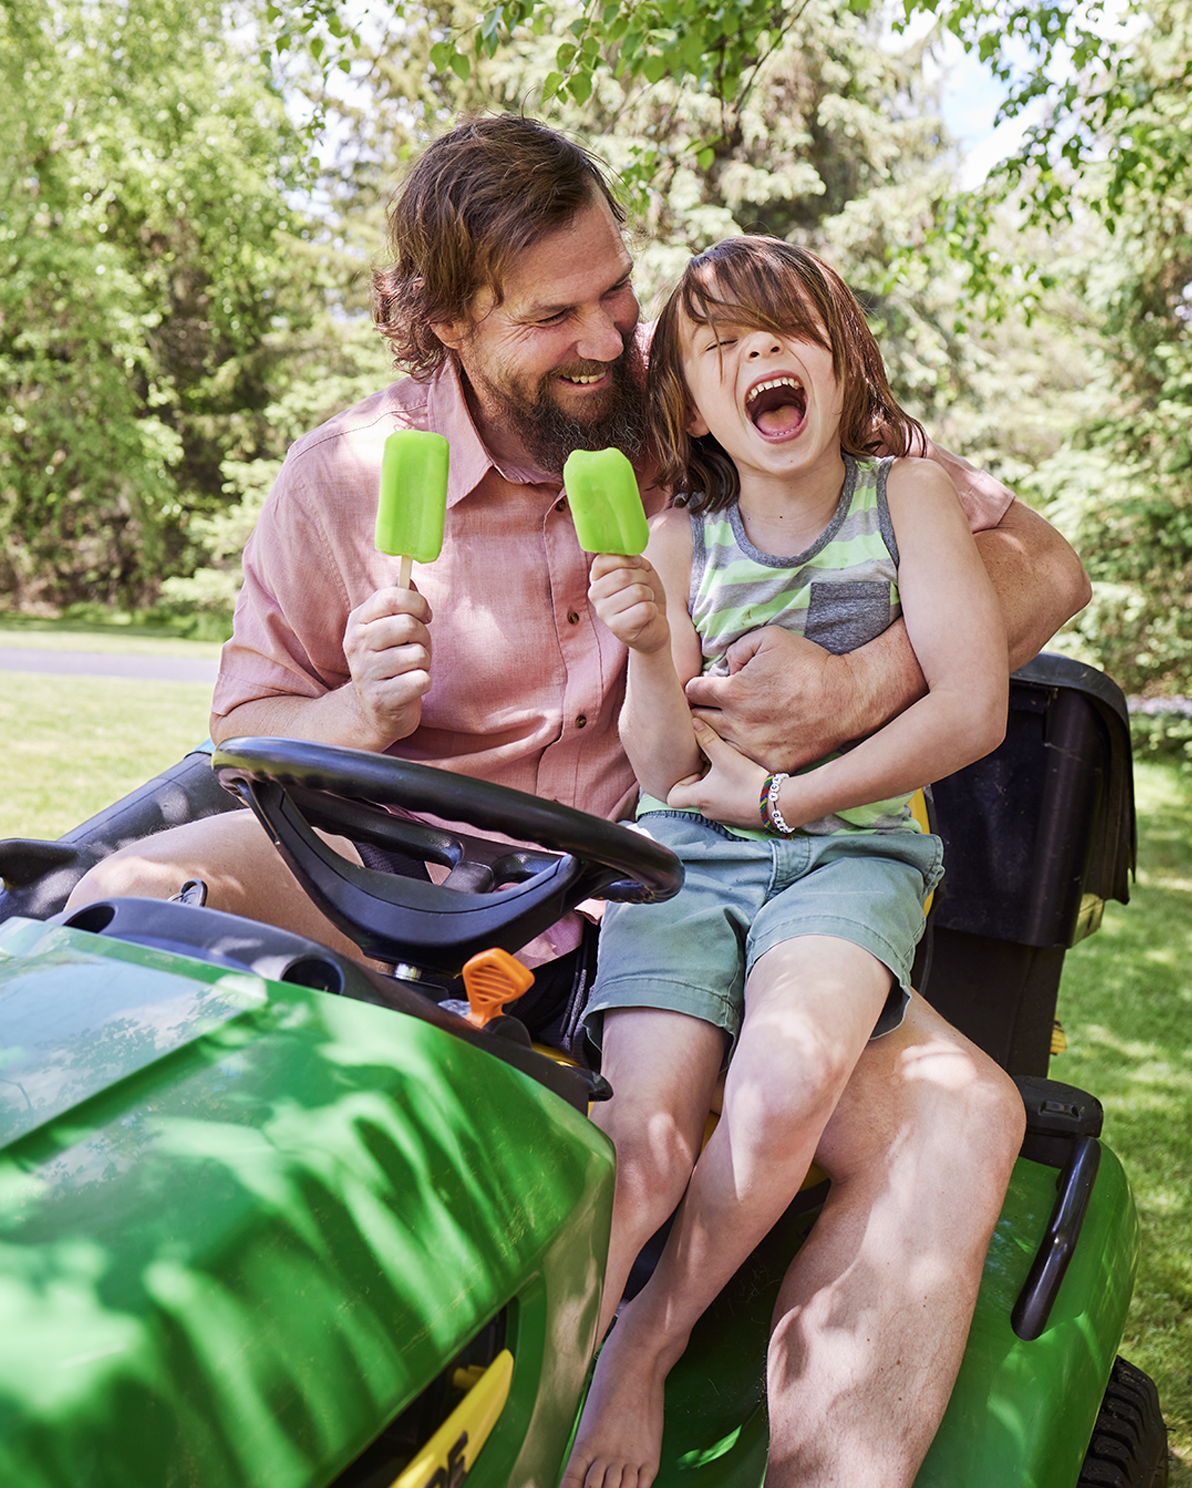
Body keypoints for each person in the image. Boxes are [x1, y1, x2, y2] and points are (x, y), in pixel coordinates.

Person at [67, 114, 1088, 1483]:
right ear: (443, 322)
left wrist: (857, 684)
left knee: (966, 1118)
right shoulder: (345, 478)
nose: (613, 337)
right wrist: (357, 709)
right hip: (391, 890)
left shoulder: (705, 403)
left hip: (668, 892)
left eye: (617, 287)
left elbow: (1039, 565)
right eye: (560, 314)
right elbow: (246, 742)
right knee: (120, 893)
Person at [561, 236, 1008, 1488]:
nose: (757, 351)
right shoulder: (673, 535)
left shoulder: (904, 497)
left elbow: (968, 707)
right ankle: (523, 1377)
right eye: (717, 345)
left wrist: (791, 795)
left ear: (839, 354)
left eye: (784, 326)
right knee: (641, 1139)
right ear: (691, 407)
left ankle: (644, 1345)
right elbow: (658, 769)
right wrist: (650, 648)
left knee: (776, 1091)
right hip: (685, 859)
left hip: (848, 857)